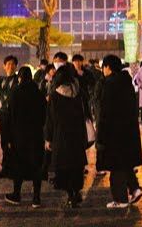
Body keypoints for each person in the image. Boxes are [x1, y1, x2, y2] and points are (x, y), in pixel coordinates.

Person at [96, 55, 142, 209]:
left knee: (116, 167)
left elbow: (105, 112)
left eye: (104, 67)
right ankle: (135, 189)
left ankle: (120, 199)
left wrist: (101, 135)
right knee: (125, 162)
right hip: (128, 130)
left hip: (113, 132)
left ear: (108, 67)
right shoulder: (126, 82)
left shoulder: (109, 84)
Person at [46, 64, 89, 208]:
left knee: (64, 166)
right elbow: (85, 113)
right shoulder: (78, 93)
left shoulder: (54, 95)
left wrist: (48, 138)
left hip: (61, 135)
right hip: (77, 134)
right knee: (76, 166)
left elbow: (51, 119)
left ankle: (70, 195)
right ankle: (76, 192)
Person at [4, 66, 47, 208]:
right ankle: (36, 198)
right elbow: (44, 114)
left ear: (20, 77)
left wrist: (8, 137)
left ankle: (16, 194)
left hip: (19, 135)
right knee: (36, 166)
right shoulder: (38, 93)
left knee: (18, 165)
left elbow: (10, 116)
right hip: (36, 135)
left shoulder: (15, 92)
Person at [0, 55, 20, 179]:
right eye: (8, 64)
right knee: (4, 141)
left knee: (13, 141)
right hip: (3, 114)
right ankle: (6, 167)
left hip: (14, 114)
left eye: (13, 64)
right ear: (4, 66)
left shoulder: (17, 80)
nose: (10, 66)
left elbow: (12, 94)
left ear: (16, 66)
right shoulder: (2, 80)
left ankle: (14, 168)